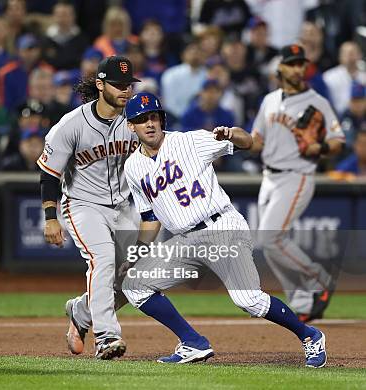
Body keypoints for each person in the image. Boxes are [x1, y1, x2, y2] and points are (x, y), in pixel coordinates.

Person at [119, 91, 328, 368]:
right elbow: (149, 218)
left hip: (221, 228)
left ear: (162, 119)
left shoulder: (189, 140)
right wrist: (135, 256)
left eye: (153, 116)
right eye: (141, 119)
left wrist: (230, 134)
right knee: (135, 286)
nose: (149, 123)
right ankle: (193, 343)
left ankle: (310, 335)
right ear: (131, 126)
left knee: (248, 299)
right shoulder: (133, 166)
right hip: (185, 241)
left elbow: (249, 142)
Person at [38, 56, 140, 360]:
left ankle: (81, 312)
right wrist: (49, 217)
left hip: (123, 206)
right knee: (103, 258)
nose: (125, 91)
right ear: (100, 85)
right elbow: (49, 174)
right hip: (82, 204)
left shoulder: (133, 121)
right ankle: (107, 337)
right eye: (118, 85)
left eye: (128, 85)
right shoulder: (71, 124)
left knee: (136, 278)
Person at [250, 44, 345, 322]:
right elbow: (257, 139)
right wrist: (236, 140)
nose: (297, 68)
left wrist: (321, 147)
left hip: (297, 175)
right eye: (292, 63)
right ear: (280, 68)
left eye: (301, 63)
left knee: (270, 238)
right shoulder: (269, 100)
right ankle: (302, 301)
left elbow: (338, 141)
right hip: (268, 176)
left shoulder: (317, 102)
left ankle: (320, 278)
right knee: (270, 243)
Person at [161, 41, 206, 119]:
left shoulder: (207, 74)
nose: (195, 54)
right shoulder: (171, 74)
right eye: (191, 51)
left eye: (198, 51)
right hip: (175, 119)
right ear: (182, 55)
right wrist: (186, 118)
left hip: (202, 119)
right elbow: (170, 104)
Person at [41, 0, 89, 71]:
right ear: (53, 16)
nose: (62, 19)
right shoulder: (45, 39)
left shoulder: (82, 39)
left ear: (73, 16)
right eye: (59, 15)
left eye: (65, 15)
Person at [323, 42, 366, 115]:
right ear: (340, 56)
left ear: (360, 55)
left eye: (353, 53)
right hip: (337, 118)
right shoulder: (329, 77)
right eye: (346, 53)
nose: (350, 57)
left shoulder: (364, 76)